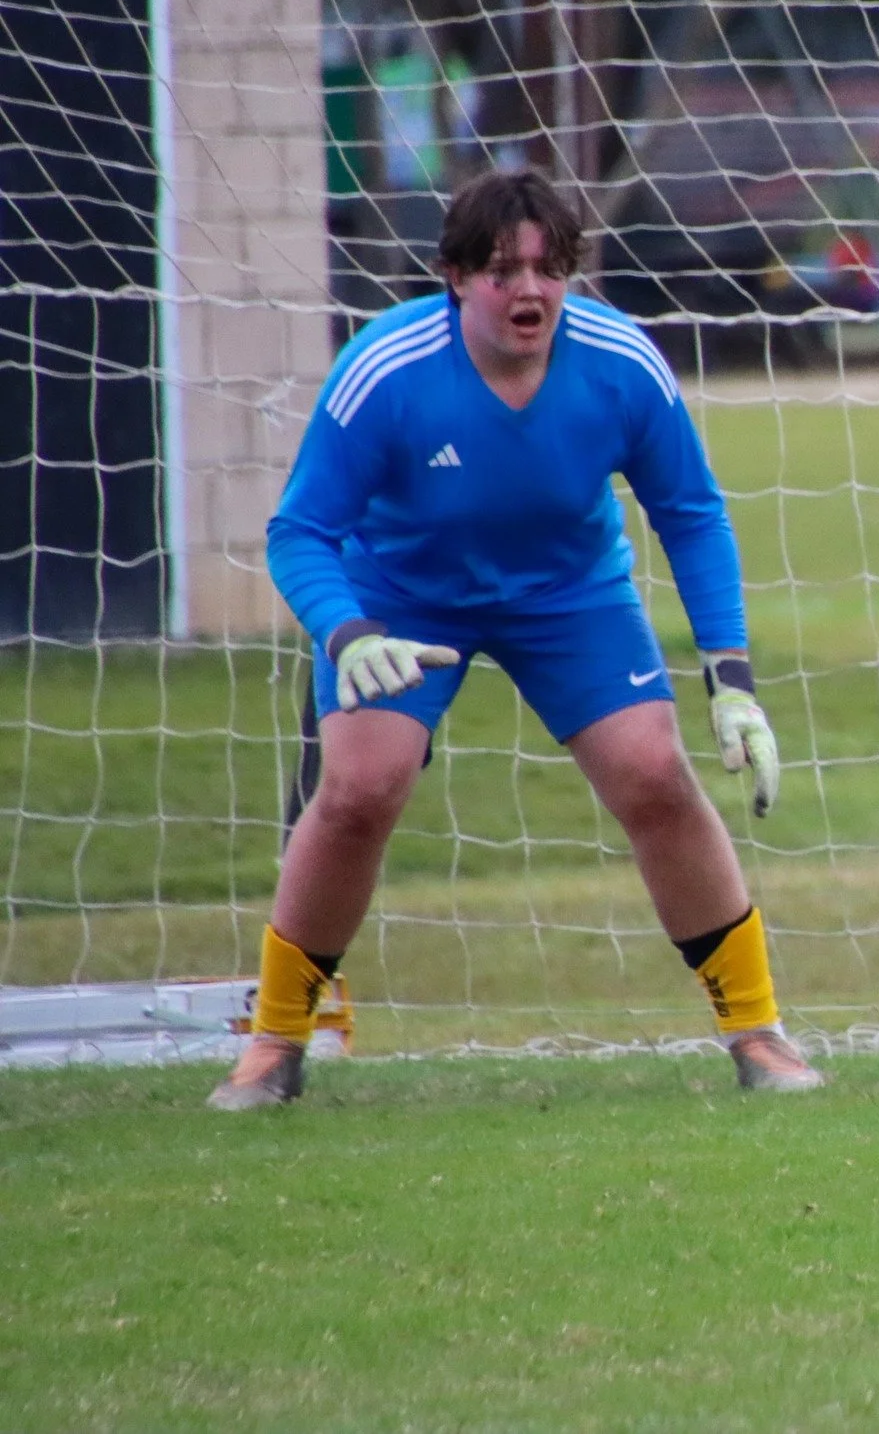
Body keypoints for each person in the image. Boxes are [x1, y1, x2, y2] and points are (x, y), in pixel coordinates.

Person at [210, 169, 822, 1108]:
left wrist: (732, 680)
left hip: (567, 592)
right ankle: (276, 1041)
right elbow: (300, 530)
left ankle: (759, 1033)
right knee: (358, 792)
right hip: (402, 596)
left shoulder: (623, 363)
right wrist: (346, 634)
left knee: (655, 774)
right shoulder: (386, 368)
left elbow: (691, 514)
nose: (529, 289)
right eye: (503, 271)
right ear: (454, 275)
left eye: (548, 268)